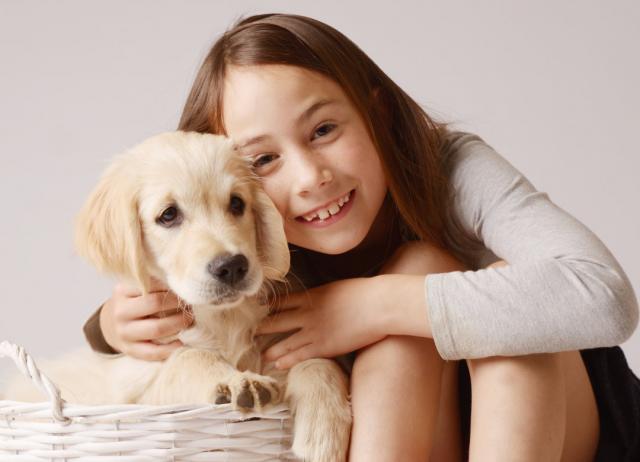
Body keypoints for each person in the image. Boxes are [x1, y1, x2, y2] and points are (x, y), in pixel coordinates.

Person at [83, 13, 640, 461]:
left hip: (569, 430)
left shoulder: (449, 168)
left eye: (324, 130)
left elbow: (605, 297)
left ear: (374, 113)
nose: (309, 178)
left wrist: (375, 305)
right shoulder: (246, 229)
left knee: (441, 273)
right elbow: (181, 272)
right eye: (264, 159)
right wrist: (108, 328)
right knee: (407, 302)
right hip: (428, 438)